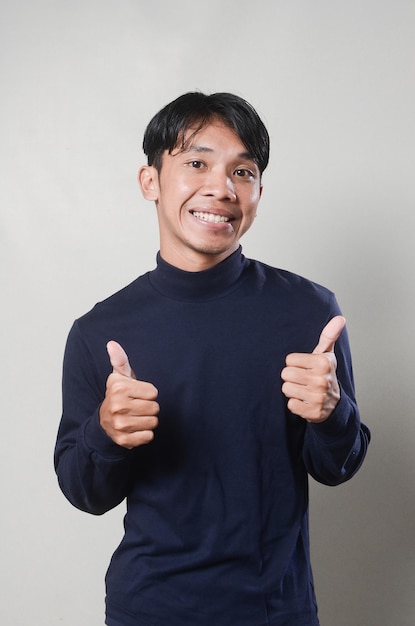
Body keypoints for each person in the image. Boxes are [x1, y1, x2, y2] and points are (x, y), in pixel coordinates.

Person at [54, 91, 370, 626]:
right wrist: (106, 432)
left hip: (277, 610)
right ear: (150, 181)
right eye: (197, 163)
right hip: (149, 609)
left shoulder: (309, 310)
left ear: (259, 191)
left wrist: (332, 413)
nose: (221, 188)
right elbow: (85, 492)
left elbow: (337, 466)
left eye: (242, 172)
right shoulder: (100, 332)